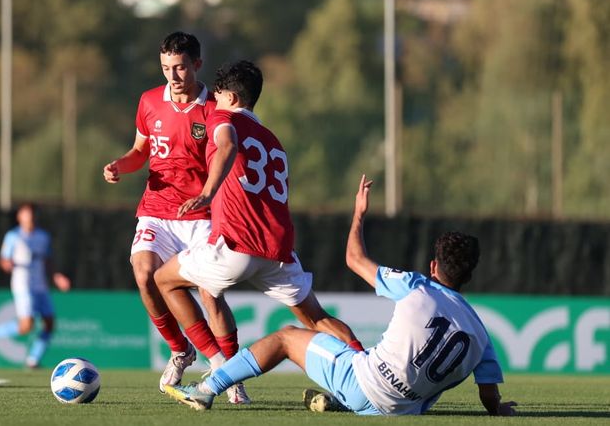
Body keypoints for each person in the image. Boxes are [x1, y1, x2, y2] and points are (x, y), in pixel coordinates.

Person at [163, 175, 518, 417]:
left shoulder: (417, 286)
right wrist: (499, 409)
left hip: (364, 384)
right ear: (470, 274)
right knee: (373, 367)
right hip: (401, 411)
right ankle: (338, 401)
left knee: (286, 338)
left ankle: (207, 388)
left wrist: (359, 215)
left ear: (433, 265)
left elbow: (354, 260)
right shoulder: (482, 336)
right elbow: (489, 396)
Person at [154, 59, 363, 386]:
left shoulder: (223, 117)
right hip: (279, 253)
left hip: (236, 246)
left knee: (163, 279)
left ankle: (221, 368)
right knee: (317, 318)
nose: (215, 101)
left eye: (219, 95)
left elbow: (227, 144)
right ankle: (365, 369)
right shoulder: (272, 140)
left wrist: (208, 193)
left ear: (233, 99)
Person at [102, 31, 249, 403]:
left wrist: (212, 192)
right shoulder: (149, 101)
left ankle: (230, 371)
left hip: (202, 215)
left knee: (210, 294)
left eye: (181, 66)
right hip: (157, 210)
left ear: (197, 64)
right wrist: (121, 165)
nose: (173, 75)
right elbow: (140, 150)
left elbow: (228, 149)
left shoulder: (214, 107)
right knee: (143, 273)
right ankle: (181, 350)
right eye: (167, 67)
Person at [0, 203, 71, 368]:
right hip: (23, 284)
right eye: (26, 215)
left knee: (49, 323)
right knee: (26, 326)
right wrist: (6, 264)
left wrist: (56, 277)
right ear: (19, 217)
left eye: (32, 215)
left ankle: (33, 360)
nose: (30, 218)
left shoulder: (43, 236)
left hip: (41, 284)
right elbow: (3, 259)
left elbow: (47, 260)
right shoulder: (13, 236)